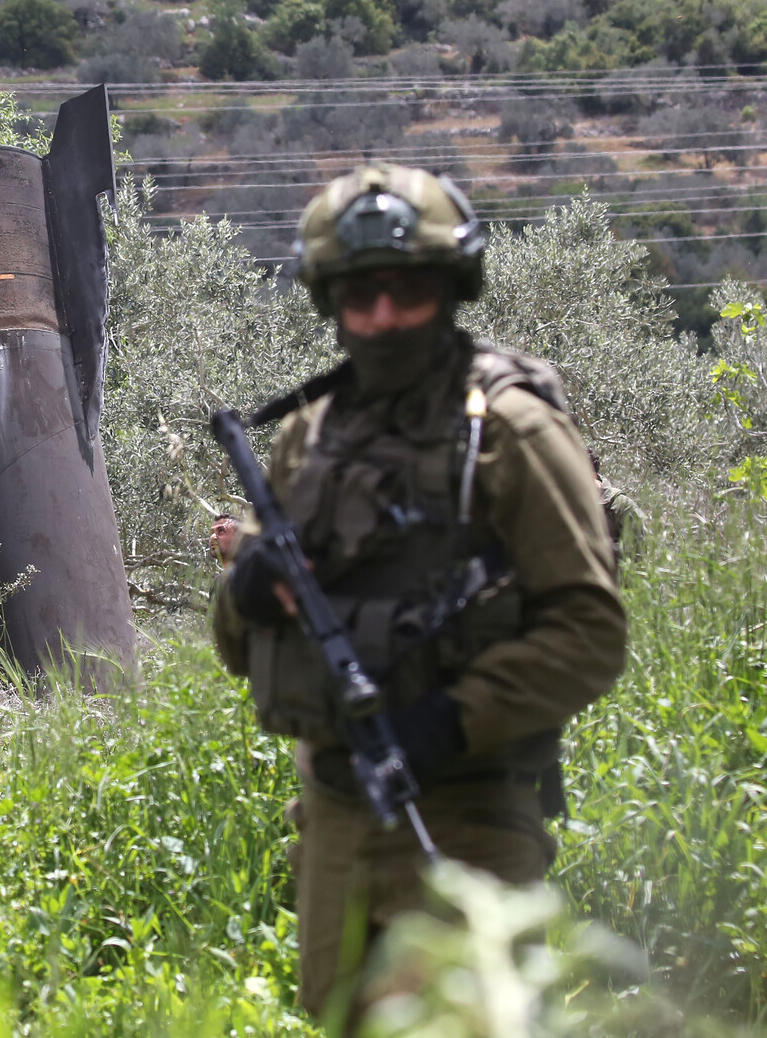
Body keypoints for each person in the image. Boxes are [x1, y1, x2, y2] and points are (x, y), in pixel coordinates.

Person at [210, 165, 626, 1027]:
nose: (383, 318)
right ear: (331, 301)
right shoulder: (306, 437)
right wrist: (244, 591)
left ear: (450, 287)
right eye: (360, 296)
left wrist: (445, 721)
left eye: (407, 292)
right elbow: (241, 647)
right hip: (330, 820)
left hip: (467, 817)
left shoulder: (509, 431)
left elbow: (588, 631)